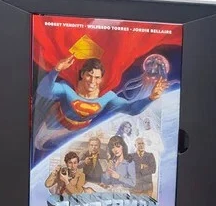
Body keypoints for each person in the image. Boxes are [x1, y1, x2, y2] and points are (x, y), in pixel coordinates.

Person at [32, 56, 167, 154]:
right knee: (41, 148)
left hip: (76, 133)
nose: (92, 81)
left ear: (101, 79)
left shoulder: (106, 98)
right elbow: (44, 90)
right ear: (82, 74)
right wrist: (56, 70)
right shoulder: (67, 90)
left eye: (97, 77)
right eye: (89, 75)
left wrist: (151, 98)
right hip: (53, 127)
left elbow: (131, 109)